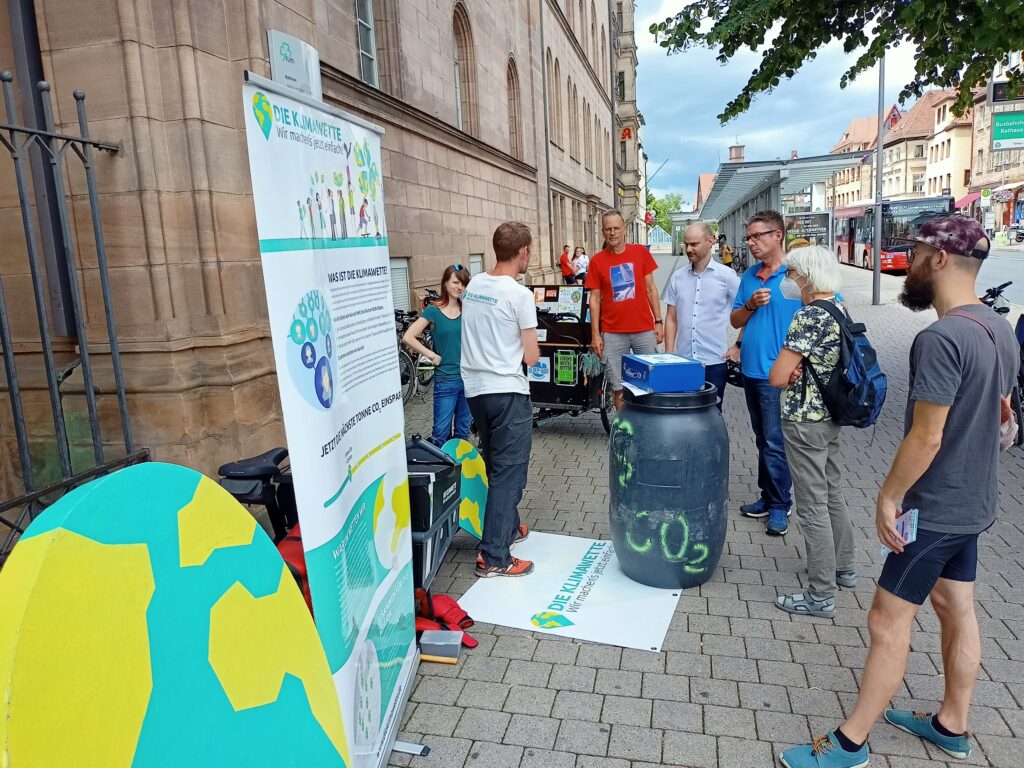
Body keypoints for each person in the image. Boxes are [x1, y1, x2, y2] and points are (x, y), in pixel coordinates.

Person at [780, 215, 1020, 768]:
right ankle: (952, 725)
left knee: (886, 620)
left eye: (913, 254)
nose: (907, 264)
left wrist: (888, 496)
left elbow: (927, 435)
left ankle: (850, 742)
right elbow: (1002, 410)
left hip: (935, 509)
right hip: (976, 503)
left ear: (939, 259)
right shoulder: (997, 326)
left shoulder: (941, 338)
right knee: (956, 605)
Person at [767, 246, 855, 620]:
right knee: (833, 493)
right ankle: (843, 567)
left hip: (805, 419)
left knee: (811, 503)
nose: (788, 280)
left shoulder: (809, 315)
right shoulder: (839, 307)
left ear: (806, 277)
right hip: (831, 416)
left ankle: (821, 594)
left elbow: (776, 376)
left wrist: (789, 370)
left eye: (791, 273)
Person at [461, 222, 541, 578]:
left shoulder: (475, 285)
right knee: (509, 473)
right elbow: (532, 357)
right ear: (523, 251)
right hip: (508, 392)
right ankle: (494, 556)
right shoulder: (519, 295)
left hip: (476, 391)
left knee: (496, 463)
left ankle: (507, 528)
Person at [730, 210, 802, 536]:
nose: (751, 242)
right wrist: (750, 306)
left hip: (780, 374)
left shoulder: (797, 274)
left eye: (757, 236)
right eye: (748, 237)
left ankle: (780, 505)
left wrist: (803, 362)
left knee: (774, 442)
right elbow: (735, 319)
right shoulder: (749, 276)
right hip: (751, 370)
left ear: (778, 235)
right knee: (763, 439)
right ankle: (768, 497)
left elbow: (829, 311)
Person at [586, 210, 663, 411]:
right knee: (619, 388)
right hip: (612, 333)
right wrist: (595, 335)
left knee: (649, 384)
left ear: (624, 229)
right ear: (603, 231)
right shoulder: (597, 261)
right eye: (608, 229)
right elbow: (594, 299)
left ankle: (648, 424)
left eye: (616, 228)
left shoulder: (640, 253)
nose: (612, 233)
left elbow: (651, 289)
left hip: (643, 330)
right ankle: (624, 427)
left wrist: (658, 321)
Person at [664, 222, 740, 411]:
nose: (689, 249)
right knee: (684, 414)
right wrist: (668, 354)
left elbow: (747, 311)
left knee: (713, 414)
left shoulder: (727, 276)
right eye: (686, 244)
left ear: (710, 241)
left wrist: (738, 345)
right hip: (685, 362)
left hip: (714, 362)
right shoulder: (677, 277)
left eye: (694, 244)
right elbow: (671, 317)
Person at [402, 265, 472, 447]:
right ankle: (441, 465)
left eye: (463, 284)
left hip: (469, 379)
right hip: (446, 380)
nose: (459, 287)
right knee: (440, 434)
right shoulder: (433, 311)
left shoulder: (469, 309)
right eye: (455, 282)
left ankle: (459, 466)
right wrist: (431, 355)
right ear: (445, 283)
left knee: (462, 434)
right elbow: (408, 337)